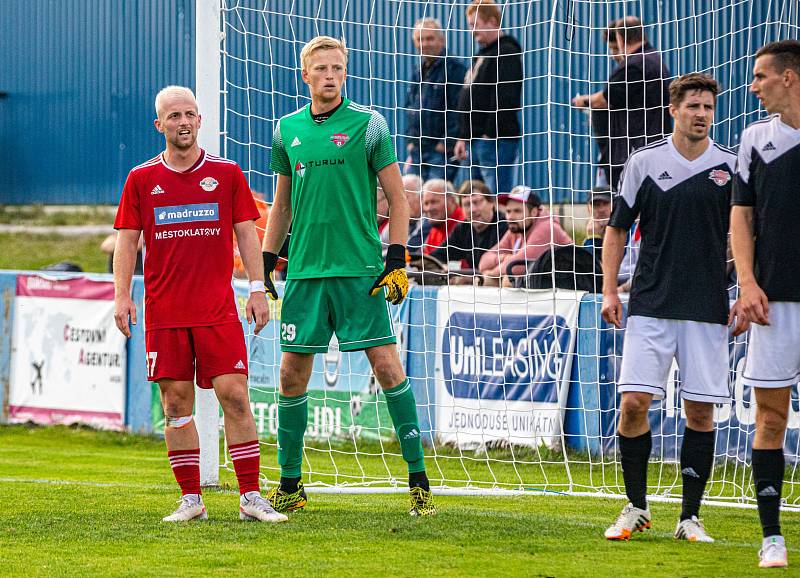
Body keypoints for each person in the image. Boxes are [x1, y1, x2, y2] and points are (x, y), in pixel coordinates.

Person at [261, 36, 435, 516]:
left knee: (387, 367)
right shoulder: (286, 130)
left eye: (338, 67)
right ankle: (291, 486)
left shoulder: (369, 125)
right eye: (321, 68)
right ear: (306, 75)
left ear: (346, 72)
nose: (331, 75)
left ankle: (418, 479)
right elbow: (282, 203)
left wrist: (396, 257)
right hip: (306, 275)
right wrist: (266, 260)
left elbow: (399, 199)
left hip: (360, 271)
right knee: (291, 376)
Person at [113, 86, 286, 523]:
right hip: (166, 311)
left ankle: (251, 496)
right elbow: (127, 242)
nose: (183, 122)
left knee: (236, 395)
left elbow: (248, 232)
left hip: (217, 309)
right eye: (174, 116)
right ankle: (191, 499)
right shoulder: (141, 178)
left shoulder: (226, 173)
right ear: (160, 125)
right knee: (175, 403)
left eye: (190, 113)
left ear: (200, 119)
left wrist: (257, 287)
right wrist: (120, 295)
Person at [600, 73, 738, 543]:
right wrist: (610, 291)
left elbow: (746, 235)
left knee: (700, 412)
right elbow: (617, 229)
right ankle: (636, 507)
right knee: (634, 404)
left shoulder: (730, 167)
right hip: (650, 305)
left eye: (708, 108)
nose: (701, 114)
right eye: (694, 106)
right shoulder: (643, 163)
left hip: (707, 308)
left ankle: (690, 518)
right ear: (673, 110)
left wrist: (742, 290)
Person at [730, 39, 800, 569]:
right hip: (774, 304)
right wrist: (748, 284)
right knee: (770, 418)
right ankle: (772, 537)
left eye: (759, 76)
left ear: (789, 78)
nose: (753, 86)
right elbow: (741, 219)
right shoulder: (756, 139)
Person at [573, 16, 672, 190]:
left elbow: (606, 99)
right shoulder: (655, 59)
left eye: (613, 48)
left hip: (634, 150)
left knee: (628, 202)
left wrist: (584, 101)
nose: (613, 55)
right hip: (654, 145)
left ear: (619, 38)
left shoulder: (634, 65)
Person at [453, 0, 523, 196]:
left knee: (495, 199)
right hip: (475, 141)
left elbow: (507, 98)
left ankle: (501, 228)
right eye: (469, 26)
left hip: (494, 141)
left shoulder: (506, 52)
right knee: (474, 200)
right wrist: (463, 136)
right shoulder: (481, 56)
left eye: (475, 24)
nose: (472, 31)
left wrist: (489, 133)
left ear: (492, 22)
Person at [403, 18, 466, 183]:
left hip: (441, 152)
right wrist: (410, 142)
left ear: (442, 40)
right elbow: (409, 107)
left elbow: (460, 109)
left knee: (436, 199)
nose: (425, 43)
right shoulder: (418, 71)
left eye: (430, 38)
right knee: (412, 198)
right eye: (420, 39)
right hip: (417, 151)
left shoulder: (455, 69)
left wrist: (446, 143)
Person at [478, 186, 572, 285]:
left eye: (517, 211)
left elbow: (517, 266)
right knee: (483, 281)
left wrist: (491, 273)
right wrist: (504, 257)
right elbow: (483, 262)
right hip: (544, 284)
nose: (511, 217)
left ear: (534, 212)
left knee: (506, 280)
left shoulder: (546, 228)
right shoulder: (517, 229)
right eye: (508, 211)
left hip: (567, 285)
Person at [430, 179, 507, 275]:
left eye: (476, 202)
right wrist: (441, 267)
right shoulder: (463, 229)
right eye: (467, 205)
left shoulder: (505, 226)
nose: (472, 210)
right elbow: (436, 256)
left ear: (491, 203)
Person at [421, 178, 465, 254]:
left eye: (434, 202)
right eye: (426, 203)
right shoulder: (434, 232)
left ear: (452, 200)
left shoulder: (465, 225)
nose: (429, 208)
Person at [403, 173, 431, 255]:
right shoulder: (399, 219)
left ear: (421, 197)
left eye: (406, 197)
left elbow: (409, 249)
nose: (401, 203)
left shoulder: (428, 219)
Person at [582, 185, 613, 255]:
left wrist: (593, 239)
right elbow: (588, 263)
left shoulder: (626, 232)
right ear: (588, 209)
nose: (601, 209)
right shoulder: (588, 237)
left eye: (605, 204)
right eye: (596, 205)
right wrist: (592, 238)